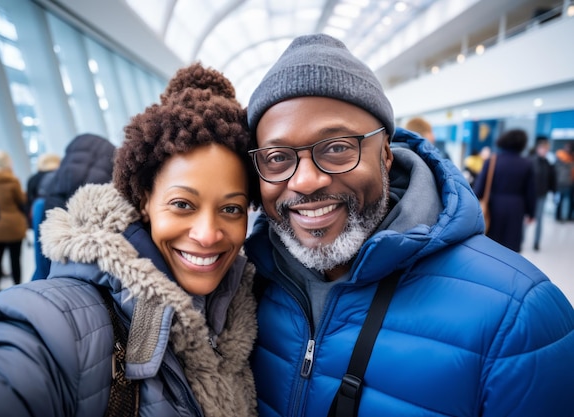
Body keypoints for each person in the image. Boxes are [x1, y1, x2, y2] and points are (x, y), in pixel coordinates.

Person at [244, 34, 574, 417]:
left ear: (385, 153)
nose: (304, 181)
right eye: (278, 157)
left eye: (336, 148)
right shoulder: (243, 285)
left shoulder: (519, 316)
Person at [0, 63, 258, 416]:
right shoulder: (71, 311)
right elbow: (11, 359)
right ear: (144, 200)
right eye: (182, 204)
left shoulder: (246, 301)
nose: (207, 235)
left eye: (231, 209)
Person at [31, 133, 115, 280]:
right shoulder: (110, 159)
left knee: (44, 266)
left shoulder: (44, 200)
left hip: (52, 277)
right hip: (91, 274)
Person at [473, 129, 536, 252]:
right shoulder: (527, 164)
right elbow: (530, 192)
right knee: (511, 246)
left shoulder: (492, 161)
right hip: (517, 208)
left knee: (492, 244)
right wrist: (531, 213)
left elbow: (479, 189)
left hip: (494, 206)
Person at [0, 150, 28, 293]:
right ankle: (17, 286)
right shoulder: (13, 180)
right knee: (16, 259)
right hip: (14, 225)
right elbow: (21, 201)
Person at [528, 136, 556, 251]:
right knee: (527, 218)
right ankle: (521, 239)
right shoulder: (530, 161)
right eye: (542, 148)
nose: (544, 151)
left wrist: (553, 190)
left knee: (539, 219)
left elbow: (552, 178)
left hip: (542, 195)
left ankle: (536, 242)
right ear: (538, 149)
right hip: (530, 195)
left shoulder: (548, 163)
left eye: (546, 149)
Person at [26, 152, 61, 228]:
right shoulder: (59, 176)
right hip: (57, 214)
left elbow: (29, 199)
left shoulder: (33, 179)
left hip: (38, 213)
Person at [554, 142, 574, 222]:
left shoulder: (571, 157)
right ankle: (558, 217)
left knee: (570, 201)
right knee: (560, 201)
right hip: (562, 183)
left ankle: (569, 216)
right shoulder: (560, 156)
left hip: (570, 182)